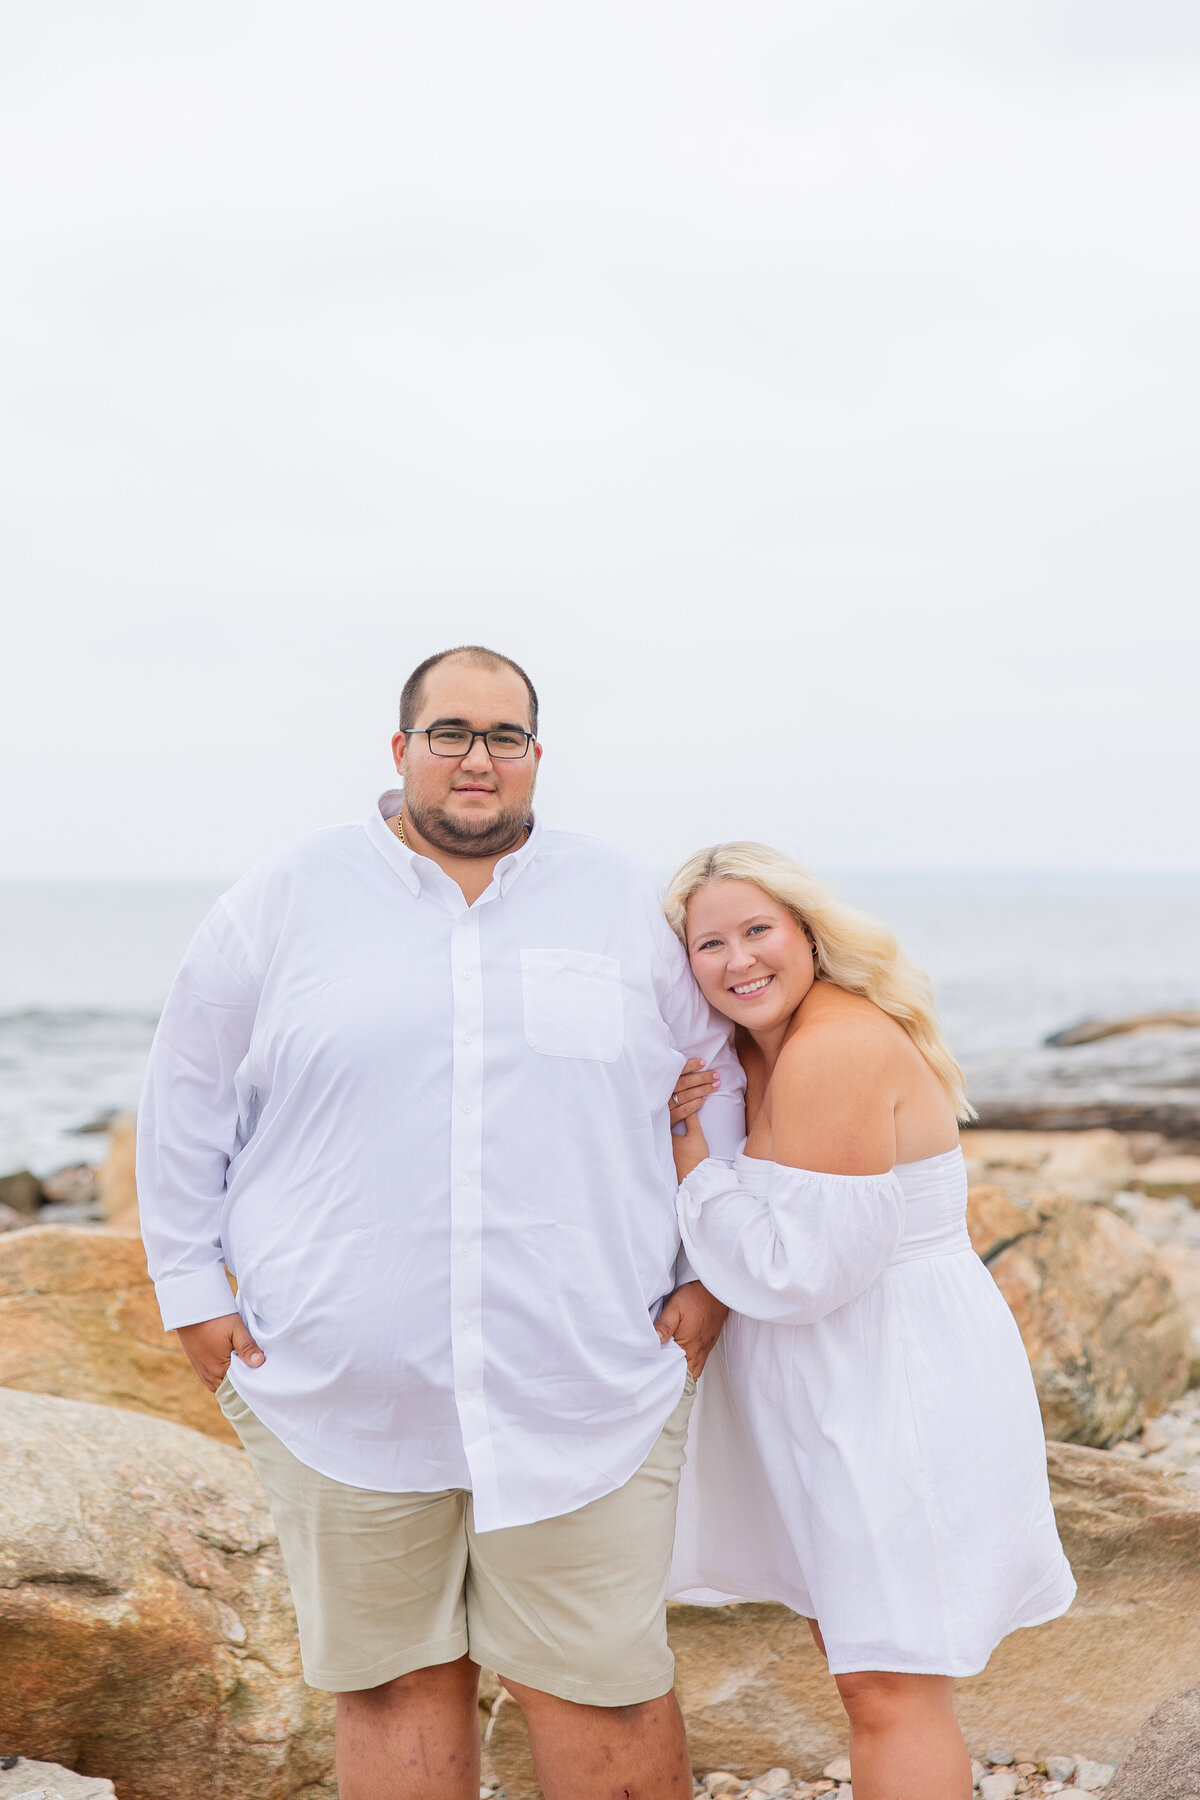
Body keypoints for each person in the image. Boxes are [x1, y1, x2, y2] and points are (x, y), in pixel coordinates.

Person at [136, 646, 745, 1800]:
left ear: (537, 756)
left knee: (605, 1685)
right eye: (451, 732)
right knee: (391, 1686)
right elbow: (186, 1094)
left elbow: (727, 1080)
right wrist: (192, 1291)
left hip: (588, 1373)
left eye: (504, 736)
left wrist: (713, 1273)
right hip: (337, 1378)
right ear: (402, 748)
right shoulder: (284, 900)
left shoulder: (625, 905)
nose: (478, 759)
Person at [660, 842, 1075, 1800]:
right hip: (831, 1384)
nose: (737, 960)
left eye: (758, 930)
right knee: (865, 1667)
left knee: (889, 1684)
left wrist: (690, 1154)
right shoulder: (757, 1055)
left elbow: (803, 1273)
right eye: (707, 942)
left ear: (809, 932)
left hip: (891, 1378)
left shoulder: (834, 1048)